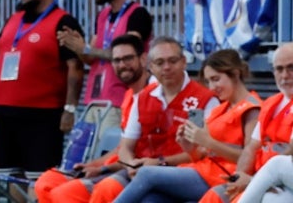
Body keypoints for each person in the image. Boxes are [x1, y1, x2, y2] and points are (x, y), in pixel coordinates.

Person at [114, 49, 260, 203]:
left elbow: (250, 158)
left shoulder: (252, 109)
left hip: (221, 175)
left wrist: (209, 142)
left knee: (146, 174)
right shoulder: (221, 108)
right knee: (151, 200)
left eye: (216, 79)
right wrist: (189, 146)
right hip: (201, 169)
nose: (212, 87)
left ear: (236, 74)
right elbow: (202, 154)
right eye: (209, 81)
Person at [0, 0, 85, 187]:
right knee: (8, 181)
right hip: (6, 114)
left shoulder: (64, 21)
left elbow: (75, 67)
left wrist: (69, 109)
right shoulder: (14, 19)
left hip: (43, 117)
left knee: (40, 182)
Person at [86, 36, 218, 203]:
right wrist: (131, 164)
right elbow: (126, 147)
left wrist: (158, 163)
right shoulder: (143, 97)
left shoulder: (204, 99)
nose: (167, 67)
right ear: (150, 67)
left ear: (184, 62)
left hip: (185, 172)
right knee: (109, 187)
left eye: (173, 61)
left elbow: (202, 152)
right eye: (160, 63)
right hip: (143, 169)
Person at [34, 35, 150, 203]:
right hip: (114, 167)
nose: (122, 65)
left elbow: (143, 154)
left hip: (134, 172)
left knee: (66, 194)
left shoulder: (155, 94)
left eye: (128, 58)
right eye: (116, 60)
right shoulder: (128, 95)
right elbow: (122, 148)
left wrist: (102, 169)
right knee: (46, 182)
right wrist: (93, 165)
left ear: (143, 59)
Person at [58, 0, 153, 105]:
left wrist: (87, 49)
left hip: (122, 100)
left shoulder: (138, 14)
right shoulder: (102, 15)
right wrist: (78, 47)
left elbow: (127, 57)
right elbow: (90, 58)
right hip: (94, 99)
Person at [216, 43, 293, 202]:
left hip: (278, 179)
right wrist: (239, 177)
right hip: (265, 180)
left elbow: (291, 152)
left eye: (291, 67)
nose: (285, 75)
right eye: (279, 69)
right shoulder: (272, 103)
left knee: (274, 177)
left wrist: (253, 180)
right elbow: (251, 147)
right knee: (218, 194)